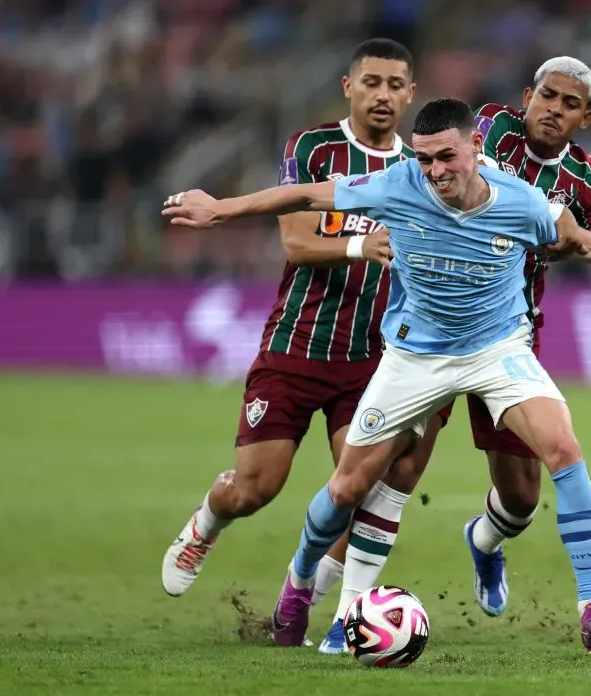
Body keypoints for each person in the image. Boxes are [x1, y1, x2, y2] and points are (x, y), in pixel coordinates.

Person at [161, 97, 591, 652]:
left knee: (564, 449)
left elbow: (579, 242)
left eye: (445, 158)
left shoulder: (524, 202)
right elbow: (306, 193)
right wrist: (220, 209)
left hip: (497, 349)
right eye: (425, 159)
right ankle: (300, 584)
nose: (434, 172)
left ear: (476, 147)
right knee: (351, 486)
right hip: (415, 358)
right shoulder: (397, 184)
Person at [320, 56, 591, 649]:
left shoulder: (587, 184)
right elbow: (410, 180)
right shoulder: (479, 130)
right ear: (526, 95)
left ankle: (484, 541)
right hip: (427, 331)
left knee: (521, 498)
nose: (553, 110)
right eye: (546, 96)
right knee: (398, 469)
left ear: (587, 117)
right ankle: (339, 612)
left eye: (569, 104)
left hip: (504, 339)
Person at [160, 39, 448, 647]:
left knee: (361, 484)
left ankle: (316, 586)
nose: (383, 95)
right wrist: (357, 245)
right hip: (298, 343)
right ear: (349, 87)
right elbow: (294, 241)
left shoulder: (422, 166)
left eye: (396, 85)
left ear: (411, 94)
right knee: (257, 488)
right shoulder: (314, 148)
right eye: (371, 82)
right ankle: (208, 521)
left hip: (371, 358)